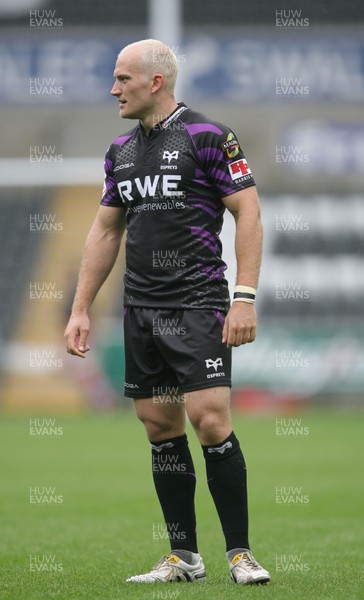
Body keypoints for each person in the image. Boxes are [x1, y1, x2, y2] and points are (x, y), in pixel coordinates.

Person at [64, 39, 270, 585]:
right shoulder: (120, 151)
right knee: (159, 427)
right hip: (141, 311)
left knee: (209, 420)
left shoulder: (209, 135)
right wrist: (81, 307)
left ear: (155, 82)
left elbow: (247, 212)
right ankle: (185, 557)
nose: (114, 89)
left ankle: (240, 555)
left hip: (198, 304)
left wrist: (244, 297)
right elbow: (106, 229)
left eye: (122, 79)